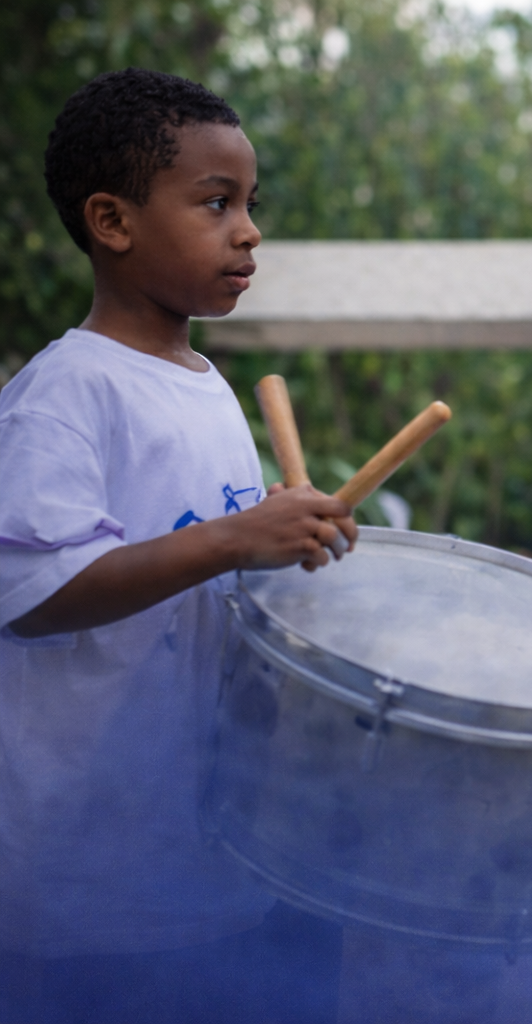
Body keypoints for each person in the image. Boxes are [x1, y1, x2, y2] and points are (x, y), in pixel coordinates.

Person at [0, 68, 357, 1023]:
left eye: (249, 204)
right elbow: (36, 592)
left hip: (207, 846)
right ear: (112, 223)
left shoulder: (203, 383)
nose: (248, 231)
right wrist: (239, 536)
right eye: (215, 203)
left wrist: (286, 536)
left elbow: (213, 564)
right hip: (92, 869)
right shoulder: (64, 394)